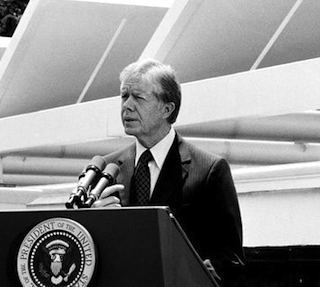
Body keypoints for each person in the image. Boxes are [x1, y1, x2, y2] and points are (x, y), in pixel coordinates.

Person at [93, 58, 244, 285]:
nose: (127, 106)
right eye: (124, 96)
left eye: (139, 97)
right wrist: (94, 220)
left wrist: (198, 272)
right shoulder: (106, 169)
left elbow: (231, 259)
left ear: (167, 108)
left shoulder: (209, 170)